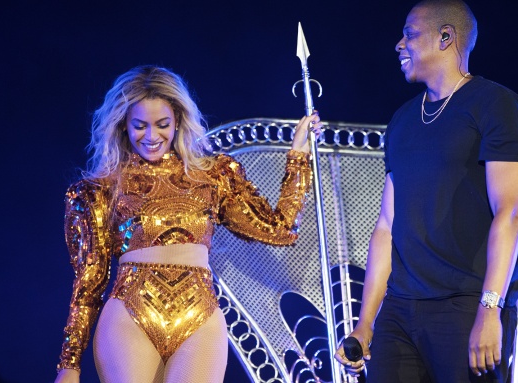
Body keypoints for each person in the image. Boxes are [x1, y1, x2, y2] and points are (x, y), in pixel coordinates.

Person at [54, 65, 323, 383]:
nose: (151, 137)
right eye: (140, 125)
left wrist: (299, 155)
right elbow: (89, 285)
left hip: (199, 318)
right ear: (123, 125)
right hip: (129, 316)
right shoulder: (99, 190)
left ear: (179, 120)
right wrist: (69, 365)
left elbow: (280, 228)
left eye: (162, 124)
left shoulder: (213, 175)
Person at [334, 1, 518, 382]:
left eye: (410, 34)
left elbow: (510, 211)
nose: (399, 44)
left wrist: (490, 310)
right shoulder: (403, 119)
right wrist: (366, 324)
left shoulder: (496, 105)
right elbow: (386, 226)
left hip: (463, 307)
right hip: (400, 308)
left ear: (446, 37)